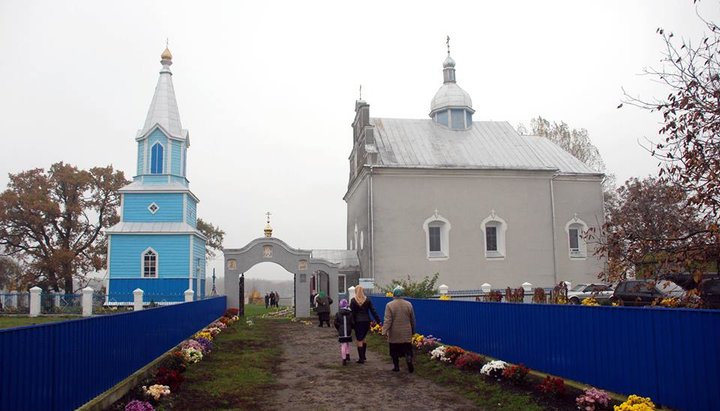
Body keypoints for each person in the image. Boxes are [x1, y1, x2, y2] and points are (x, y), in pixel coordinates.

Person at [382, 286, 416, 373]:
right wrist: (413, 330)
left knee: (394, 350)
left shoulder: (389, 305)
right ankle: (408, 358)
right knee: (407, 348)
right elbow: (412, 319)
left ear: (394, 294)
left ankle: (396, 367)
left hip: (394, 332)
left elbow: (388, 320)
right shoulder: (409, 304)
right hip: (406, 331)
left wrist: (384, 331)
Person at [350, 285, 381, 364]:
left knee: (359, 339)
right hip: (366, 321)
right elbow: (373, 311)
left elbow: (352, 313)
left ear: (356, 291)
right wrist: (378, 320)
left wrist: (351, 323)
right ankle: (363, 356)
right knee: (363, 338)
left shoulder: (353, 301)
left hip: (358, 322)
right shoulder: (367, 300)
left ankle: (361, 359)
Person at [334, 299, 355, 365]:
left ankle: (344, 359)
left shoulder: (338, 313)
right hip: (348, 330)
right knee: (347, 343)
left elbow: (335, 322)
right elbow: (352, 323)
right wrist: (351, 328)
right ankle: (348, 355)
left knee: (343, 344)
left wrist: (339, 328)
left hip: (341, 331)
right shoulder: (350, 313)